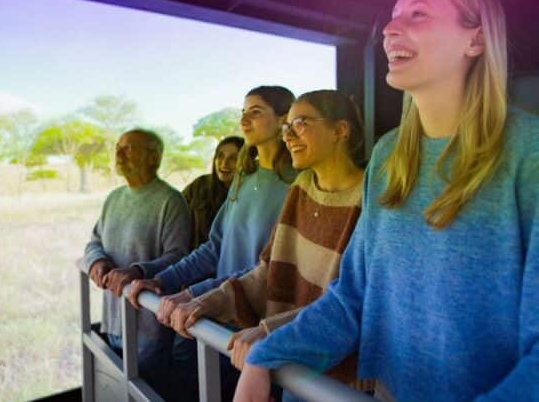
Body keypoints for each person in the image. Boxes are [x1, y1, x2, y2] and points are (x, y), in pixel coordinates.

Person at [234, 0, 539, 402]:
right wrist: (266, 354)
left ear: (475, 40)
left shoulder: (533, 151)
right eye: (393, 17)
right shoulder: (387, 156)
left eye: (417, 14)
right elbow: (353, 299)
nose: (390, 29)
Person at [171, 90, 370, 400]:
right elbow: (270, 270)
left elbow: (353, 302)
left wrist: (268, 332)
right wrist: (206, 301)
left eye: (300, 123)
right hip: (290, 367)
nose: (288, 135)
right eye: (287, 126)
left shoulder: (371, 200)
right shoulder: (301, 188)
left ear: (340, 130)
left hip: (339, 382)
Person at [127, 86, 295, 401]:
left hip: (256, 335)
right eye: (242, 112)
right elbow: (213, 248)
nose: (244, 120)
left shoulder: (299, 185)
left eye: (255, 112)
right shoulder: (244, 181)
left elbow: (267, 268)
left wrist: (196, 295)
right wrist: (161, 280)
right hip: (215, 322)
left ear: (285, 118)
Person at [83, 128, 191, 393]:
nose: (119, 153)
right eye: (118, 147)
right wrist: (97, 262)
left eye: (129, 148)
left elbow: (178, 257)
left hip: (149, 328)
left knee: (147, 392)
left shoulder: (170, 201)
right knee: (118, 391)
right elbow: (94, 241)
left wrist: (136, 271)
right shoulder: (114, 198)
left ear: (153, 157)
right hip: (113, 319)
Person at [182, 135, 245, 251]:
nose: (224, 163)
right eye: (220, 156)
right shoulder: (199, 185)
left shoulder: (249, 193)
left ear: (245, 162)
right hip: (194, 263)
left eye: (233, 158)